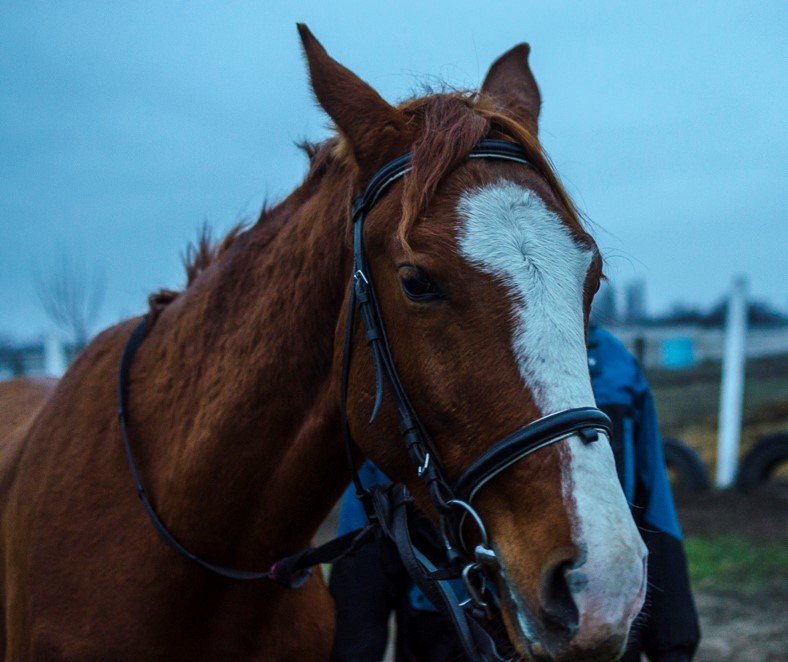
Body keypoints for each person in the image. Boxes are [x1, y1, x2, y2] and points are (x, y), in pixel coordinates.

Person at [329, 326, 700, 661]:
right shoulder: (433, 355)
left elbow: (652, 501)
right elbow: (371, 507)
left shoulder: (615, 364)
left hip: (592, 611)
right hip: (449, 625)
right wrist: (353, 644)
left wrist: (674, 641)